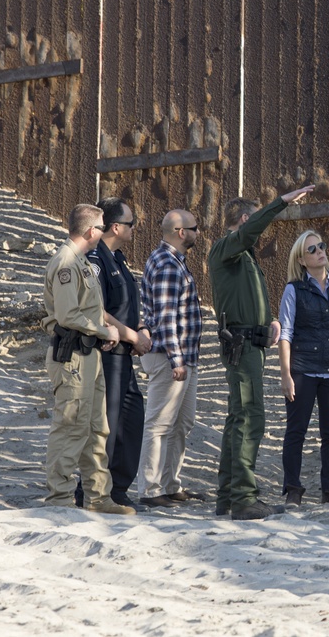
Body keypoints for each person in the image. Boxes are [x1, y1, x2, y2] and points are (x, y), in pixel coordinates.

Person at [208, 184, 314, 520]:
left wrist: (268, 321)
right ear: (243, 220)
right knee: (250, 418)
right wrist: (280, 203)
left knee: (237, 419)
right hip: (240, 347)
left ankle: (227, 495)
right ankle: (243, 497)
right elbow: (251, 231)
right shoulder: (228, 247)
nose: (258, 231)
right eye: (253, 222)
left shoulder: (242, 257)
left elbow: (245, 296)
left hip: (251, 343)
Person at [40, 203, 135, 515]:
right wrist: (104, 331)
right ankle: (59, 500)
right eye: (101, 226)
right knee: (70, 427)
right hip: (72, 359)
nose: (104, 230)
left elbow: (87, 311)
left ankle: (97, 496)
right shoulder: (66, 263)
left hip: (88, 354)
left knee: (96, 428)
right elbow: (68, 315)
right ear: (91, 230)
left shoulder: (79, 262)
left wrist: (99, 334)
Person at [278, 230, 329, 507]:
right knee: (296, 431)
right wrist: (286, 374)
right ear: (301, 260)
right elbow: (285, 333)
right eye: (312, 250)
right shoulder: (294, 290)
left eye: (321, 246)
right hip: (302, 369)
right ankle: (293, 489)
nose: (319, 252)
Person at [83, 197, 152, 510]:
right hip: (105, 352)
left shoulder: (120, 260)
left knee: (131, 419)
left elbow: (124, 308)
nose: (135, 227)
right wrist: (133, 336)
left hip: (124, 353)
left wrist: (140, 330)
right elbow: (97, 310)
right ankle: (94, 491)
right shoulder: (96, 259)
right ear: (114, 227)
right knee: (106, 424)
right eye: (131, 222)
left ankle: (119, 489)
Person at [136, 209, 206, 509]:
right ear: (180, 232)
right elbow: (166, 318)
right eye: (194, 227)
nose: (197, 232)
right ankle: (151, 490)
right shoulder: (166, 263)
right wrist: (177, 360)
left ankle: (169, 484)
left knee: (181, 423)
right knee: (160, 423)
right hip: (169, 357)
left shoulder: (174, 261)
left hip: (182, 357)